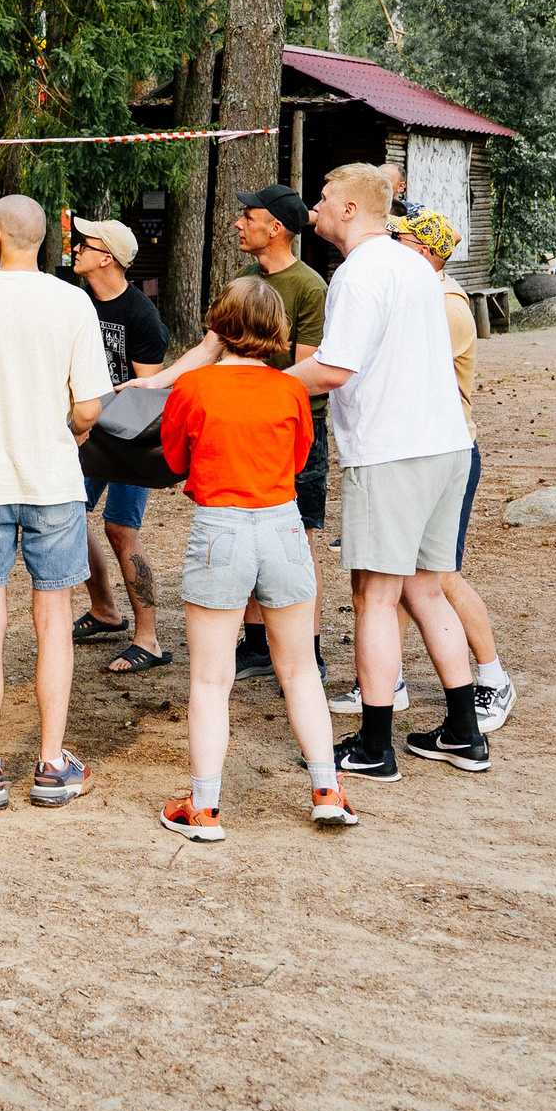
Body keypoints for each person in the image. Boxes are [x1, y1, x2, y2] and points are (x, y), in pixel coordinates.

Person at [287, 165, 488, 780]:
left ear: (350, 209)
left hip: (392, 451)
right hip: (447, 445)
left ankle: (375, 745)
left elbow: (334, 369)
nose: (314, 207)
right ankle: (463, 731)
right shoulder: (414, 266)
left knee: (376, 595)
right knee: (425, 588)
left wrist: (258, 383)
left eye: (322, 198)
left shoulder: (360, 271)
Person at [153, 276, 358, 840]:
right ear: (276, 331)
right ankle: (327, 789)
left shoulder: (192, 387)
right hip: (284, 527)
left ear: (219, 323)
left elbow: (174, 460)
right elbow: (296, 460)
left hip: (221, 528)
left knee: (211, 679)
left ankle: (205, 807)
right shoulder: (291, 390)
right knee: (299, 671)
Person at [0, 195, 111, 812]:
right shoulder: (73, 301)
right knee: (54, 618)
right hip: (54, 481)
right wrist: (68, 427)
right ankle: (53, 763)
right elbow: (90, 406)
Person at [139, 185, 329, 686]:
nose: (239, 224)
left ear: (277, 228)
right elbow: (208, 347)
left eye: (250, 216)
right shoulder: (245, 279)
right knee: (241, 535)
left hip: (288, 423)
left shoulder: (309, 287)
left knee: (297, 533)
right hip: (247, 413)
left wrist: (248, 394)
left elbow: (306, 366)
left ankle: (306, 647)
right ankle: (257, 645)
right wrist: (156, 381)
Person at [348, 211, 516, 731]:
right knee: (394, 576)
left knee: (437, 577)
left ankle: (493, 679)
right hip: (415, 449)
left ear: (424, 251)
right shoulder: (420, 291)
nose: (390, 244)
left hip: (438, 450)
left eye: (398, 238)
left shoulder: (442, 305)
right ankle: (388, 681)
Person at [62, 217, 170, 675]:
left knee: (120, 529)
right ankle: (105, 609)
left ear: (106, 256)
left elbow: (147, 395)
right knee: (66, 512)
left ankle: (149, 638)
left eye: (82, 244)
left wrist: (99, 420)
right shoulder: (75, 303)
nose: (75, 250)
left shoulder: (142, 316)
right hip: (85, 428)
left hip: (129, 435)